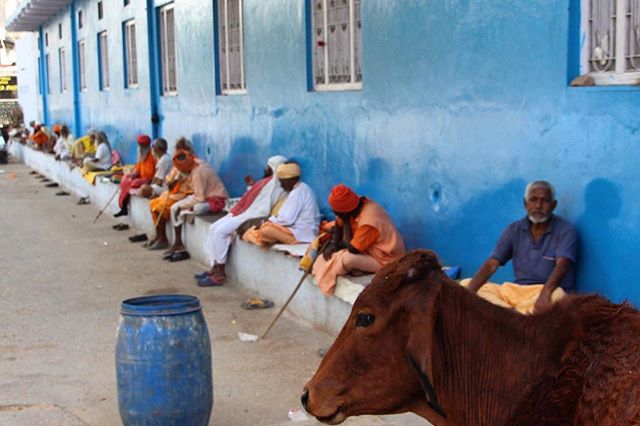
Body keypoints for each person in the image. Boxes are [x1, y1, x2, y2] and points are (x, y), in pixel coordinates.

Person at [464, 180, 578, 313]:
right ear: (525, 204)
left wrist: (545, 293)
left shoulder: (566, 230)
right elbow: (492, 264)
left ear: (553, 205)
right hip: (517, 291)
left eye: (544, 201)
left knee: (558, 297)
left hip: (546, 290)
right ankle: (513, 313)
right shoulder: (513, 230)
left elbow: (562, 265)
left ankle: (509, 315)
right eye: (533, 200)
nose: (538, 205)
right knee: (467, 284)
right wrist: (467, 294)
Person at [196, 155, 287, 287]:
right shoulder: (267, 182)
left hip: (252, 215)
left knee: (221, 231)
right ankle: (214, 266)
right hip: (244, 212)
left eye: (268, 166)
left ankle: (221, 272)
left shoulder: (277, 186)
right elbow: (255, 197)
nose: (265, 168)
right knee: (213, 227)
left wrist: (245, 212)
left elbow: (262, 207)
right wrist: (251, 186)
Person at [312, 184, 406, 295]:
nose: (335, 214)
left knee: (346, 259)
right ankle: (357, 270)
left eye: (337, 213)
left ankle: (351, 272)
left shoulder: (369, 219)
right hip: (367, 251)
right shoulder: (352, 206)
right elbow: (338, 231)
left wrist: (346, 221)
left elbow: (352, 249)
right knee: (326, 253)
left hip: (386, 260)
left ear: (345, 212)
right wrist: (333, 246)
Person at [163, 149, 229, 262]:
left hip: (216, 199)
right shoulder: (194, 164)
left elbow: (200, 198)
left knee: (196, 208)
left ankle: (179, 241)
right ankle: (178, 242)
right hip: (202, 196)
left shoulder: (198, 172)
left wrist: (183, 206)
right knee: (174, 208)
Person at [243, 162, 320, 248]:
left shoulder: (297, 192)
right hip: (298, 231)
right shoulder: (303, 188)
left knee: (266, 230)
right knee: (264, 228)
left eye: (282, 182)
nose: (281, 185)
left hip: (303, 234)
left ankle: (292, 241)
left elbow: (286, 219)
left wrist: (268, 221)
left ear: (289, 180)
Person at [146, 138, 195, 250]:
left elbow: (191, 182)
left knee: (160, 207)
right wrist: (171, 181)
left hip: (185, 194)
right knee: (153, 203)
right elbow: (169, 178)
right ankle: (159, 236)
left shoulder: (192, 163)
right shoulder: (177, 161)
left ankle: (163, 239)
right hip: (173, 192)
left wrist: (180, 179)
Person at [113, 135, 157, 217]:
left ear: (146, 146)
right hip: (141, 178)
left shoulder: (153, 157)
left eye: (141, 146)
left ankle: (124, 209)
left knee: (134, 183)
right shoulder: (141, 155)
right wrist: (129, 175)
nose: (139, 148)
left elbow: (153, 175)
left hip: (149, 180)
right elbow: (137, 170)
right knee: (125, 180)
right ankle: (124, 208)